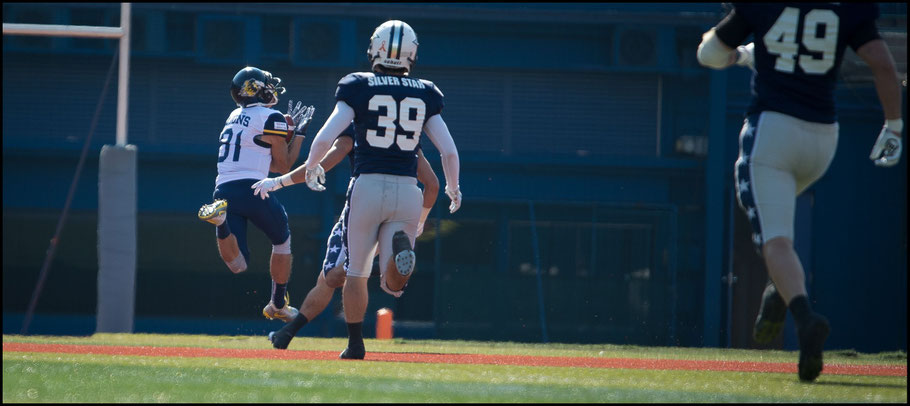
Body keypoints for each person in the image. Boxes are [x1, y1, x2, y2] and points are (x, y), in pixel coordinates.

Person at [697, 3, 903, 382]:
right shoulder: (845, 8)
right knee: (780, 234)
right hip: (823, 138)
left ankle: (805, 318)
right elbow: (884, 66)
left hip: (773, 130)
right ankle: (780, 285)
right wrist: (894, 127)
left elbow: (710, 54)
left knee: (773, 238)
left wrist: (735, 53)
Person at [252, 20, 462, 359]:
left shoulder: (358, 87)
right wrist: (454, 188)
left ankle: (355, 344)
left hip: (367, 186)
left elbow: (325, 137)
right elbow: (448, 151)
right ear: (412, 52)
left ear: (375, 49)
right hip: (409, 189)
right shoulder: (426, 92)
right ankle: (398, 260)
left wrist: (311, 167)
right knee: (392, 284)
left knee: (355, 273)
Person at [256, 123, 440, 350]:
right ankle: (288, 332)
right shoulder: (405, 130)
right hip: (405, 203)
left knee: (335, 276)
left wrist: (278, 182)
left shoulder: (359, 123)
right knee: (391, 286)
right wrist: (420, 223)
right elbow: (432, 184)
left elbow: (324, 162)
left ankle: (353, 336)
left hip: (364, 200)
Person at [197, 66, 316, 323]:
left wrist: (288, 134)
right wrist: (299, 135)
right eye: (266, 85)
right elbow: (283, 167)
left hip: (224, 191)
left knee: (238, 265)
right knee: (282, 239)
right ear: (256, 89)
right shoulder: (271, 117)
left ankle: (221, 222)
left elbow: (270, 163)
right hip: (254, 188)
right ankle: (278, 303)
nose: (271, 89)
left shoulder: (233, 115)